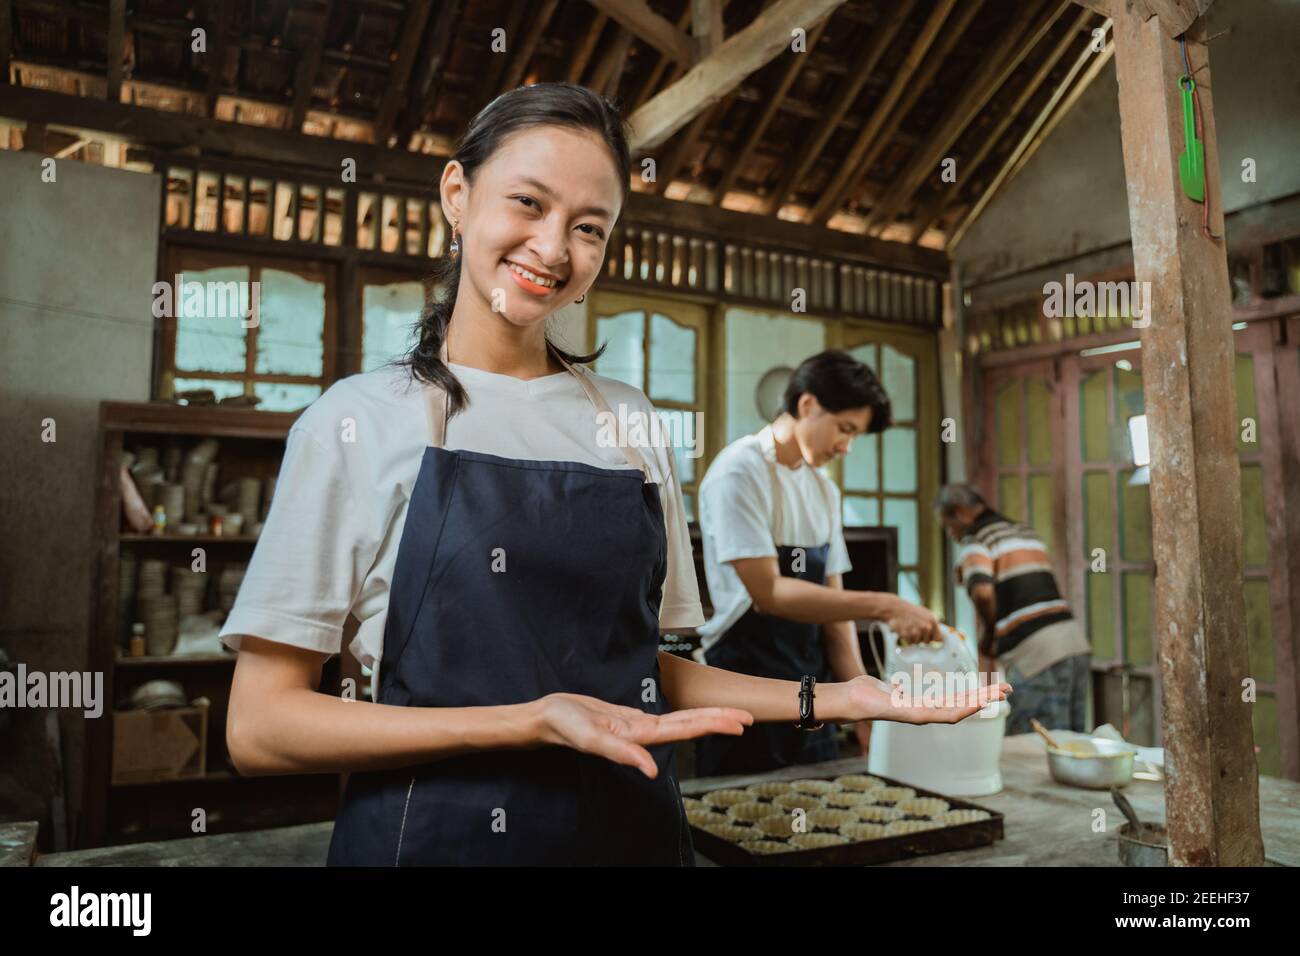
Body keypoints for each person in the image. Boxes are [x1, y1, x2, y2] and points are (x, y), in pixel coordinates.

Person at [222, 83, 1010, 866]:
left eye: (588, 228)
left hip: (632, 840)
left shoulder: (631, 423)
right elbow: (261, 727)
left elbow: (644, 672)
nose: (555, 249)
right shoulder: (355, 422)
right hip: (434, 842)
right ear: (457, 195)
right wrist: (529, 721)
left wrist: (840, 698)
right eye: (528, 203)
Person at [692, 351, 946, 777]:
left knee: (820, 806)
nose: (846, 447)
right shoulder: (739, 472)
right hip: (745, 678)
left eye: (856, 436)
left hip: (813, 685)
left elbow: (834, 609)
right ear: (807, 405)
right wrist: (886, 605)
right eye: (845, 429)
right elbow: (770, 594)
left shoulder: (824, 491)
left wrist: (866, 701)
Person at [935, 483, 1090, 734]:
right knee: (1069, 745)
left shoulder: (976, 540)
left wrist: (990, 631)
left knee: (1035, 745)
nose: (951, 535)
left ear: (959, 512)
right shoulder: (1026, 533)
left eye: (948, 526)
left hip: (1035, 656)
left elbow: (983, 592)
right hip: (1072, 644)